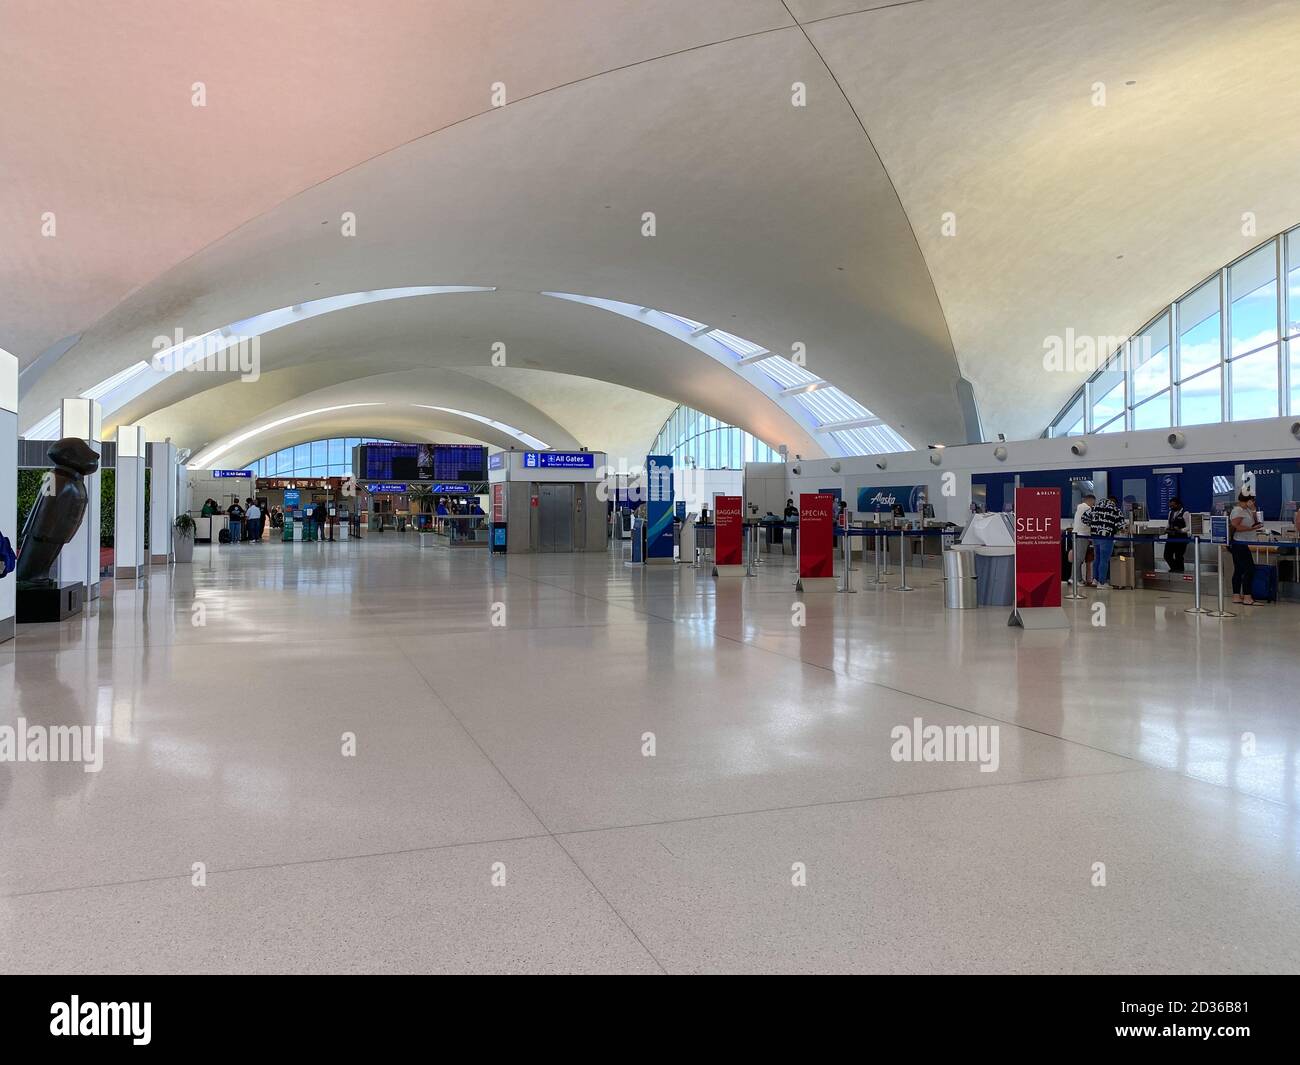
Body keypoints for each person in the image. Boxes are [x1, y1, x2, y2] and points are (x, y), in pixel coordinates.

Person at [1229, 492, 1263, 605]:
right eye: (1252, 501)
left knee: (1239, 569)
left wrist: (1253, 509)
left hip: (1244, 543)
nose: (1254, 502)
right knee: (1249, 569)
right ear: (1247, 500)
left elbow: (1256, 522)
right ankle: (1247, 596)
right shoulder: (1238, 510)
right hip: (1239, 543)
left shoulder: (1246, 510)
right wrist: (1249, 529)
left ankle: (1237, 596)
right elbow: (1235, 526)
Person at [1088, 494, 1123, 588]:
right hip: (1106, 537)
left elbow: (1084, 518)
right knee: (1104, 560)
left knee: (1097, 558)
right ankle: (1102, 582)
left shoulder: (1095, 508)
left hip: (1095, 536)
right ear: (1114, 503)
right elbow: (1121, 526)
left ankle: (1095, 580)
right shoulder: (1116, 510)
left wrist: (1094, 525)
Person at [1071, 492, 1095, 587]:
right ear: (1090, 500)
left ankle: (1073, 577)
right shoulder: (1087, 508)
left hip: (1076, 535)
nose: (1094, 505)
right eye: (1093, 503)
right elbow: (1090, 521)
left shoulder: (1079, 508)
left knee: (1076, 558)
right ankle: (1077, 579)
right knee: (1079, 558)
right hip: (1082, 535)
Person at [1163, 496, 1188, 574]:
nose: (1171, 507)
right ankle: (1175, 569)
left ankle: (1180, 571)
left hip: (1181, 538)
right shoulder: (1171, 513)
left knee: (1179, 556)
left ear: (1179, 505)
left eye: (1173, 505)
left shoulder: (1185, 513)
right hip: (1171, 537)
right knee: (1167, 555)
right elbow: (1168, 524)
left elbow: (1189, 526)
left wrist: (1181, 530)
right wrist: (1165, 530)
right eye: (1170, 506)